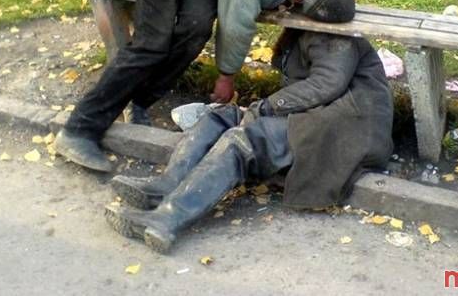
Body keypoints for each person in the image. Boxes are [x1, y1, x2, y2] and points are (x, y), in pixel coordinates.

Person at [53, 0, 356, 173]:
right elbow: (236, 17)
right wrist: (226, 75)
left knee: (195, 30)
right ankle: (79, 130)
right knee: (151, 45)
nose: (296, 1)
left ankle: (140, 100)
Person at [104, 22, 394, 254]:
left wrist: (266, 108)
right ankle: (166, 187)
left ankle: (166, 218)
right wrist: (259, 109)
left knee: (241, 141)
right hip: (321, 116)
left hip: (342, 130)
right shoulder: (308, 25)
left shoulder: (331, 31)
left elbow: (326, 84)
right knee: (221, 116)